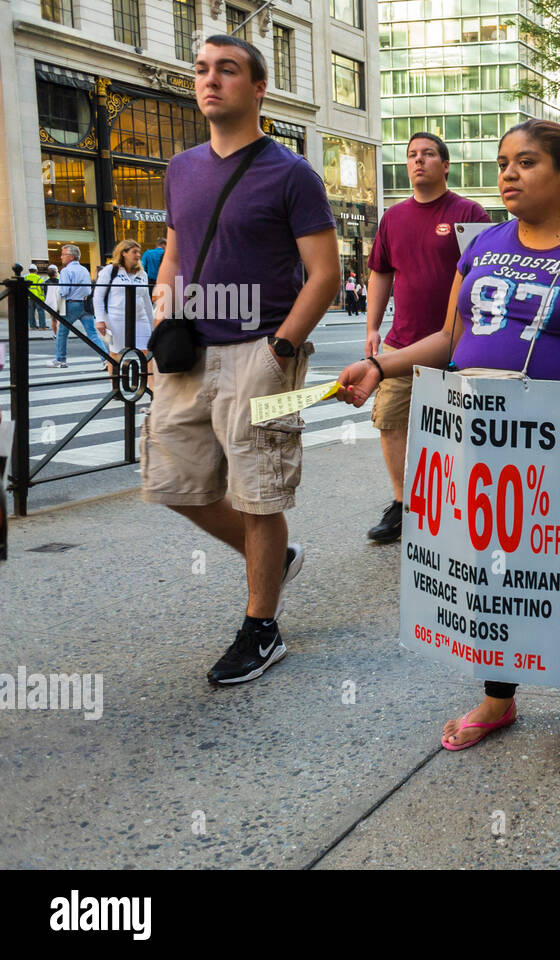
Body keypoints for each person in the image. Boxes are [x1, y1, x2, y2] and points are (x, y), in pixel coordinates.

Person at [337, 118, 560, 759]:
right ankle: (499, 696)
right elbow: (451, 341)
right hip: (480, 433)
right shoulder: (486, 243)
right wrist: (381, 364)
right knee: (486, 563)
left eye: (526, 162)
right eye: (502, 164)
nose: (508, 175)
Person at [142, 35, 339, 686]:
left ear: (258, 89)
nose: (210, 80)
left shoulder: (290, 174)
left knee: (259, 496)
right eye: (201, 70)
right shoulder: (181, 167)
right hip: (187, 351)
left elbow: (324, 274)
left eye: (227, 70)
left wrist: (281, 347)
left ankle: (262, 626)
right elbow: (173, 249)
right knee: (173, 482)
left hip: (258, 348)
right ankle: (275, 560)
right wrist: (162, 310)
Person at [363, 131, 491, 544]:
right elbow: (381, 272)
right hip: (403, 344)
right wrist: (372, 327)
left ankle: (461, 504)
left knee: (461, 429)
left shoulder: (468, 213)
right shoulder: (393, 218)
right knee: (391, 421)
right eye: (412, 155)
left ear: (446, 164)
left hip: (460, 345)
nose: (419, 161)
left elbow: (485, 274)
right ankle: (403, 505)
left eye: (429, 154)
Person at [92, 240, 152, 390]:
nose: (138, 255)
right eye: (134, 252)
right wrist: (100, 320)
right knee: (115, 353)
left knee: (148, 353)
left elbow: (146, 300)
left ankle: (151, 388)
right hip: (116, 318)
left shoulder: (142, 273)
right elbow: (98, 296)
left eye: (139, 252)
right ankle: (115, 387)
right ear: (123, 253)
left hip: (140, 318)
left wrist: (153, 323)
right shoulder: (110, 271)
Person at [50, 244, 108, 369]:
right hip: (86, 304)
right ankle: (106, 359)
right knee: (92, 334)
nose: (61, 257)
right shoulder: (84, 269)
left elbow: (64, 291)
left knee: (61, 332)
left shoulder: (66, 271)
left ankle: (60, 360)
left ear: (71, 257)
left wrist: (57, 295)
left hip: (72, 304)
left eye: (63, 254)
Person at [23, 263, 49, 330]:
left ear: (29, 270)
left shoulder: (25, 277)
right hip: (38, 297)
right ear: (36, 270)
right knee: (41, 312)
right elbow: (43, 288)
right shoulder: (39, 278)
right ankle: (42, 326)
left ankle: (32, 326)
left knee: (30, 312)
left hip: (29, 298)